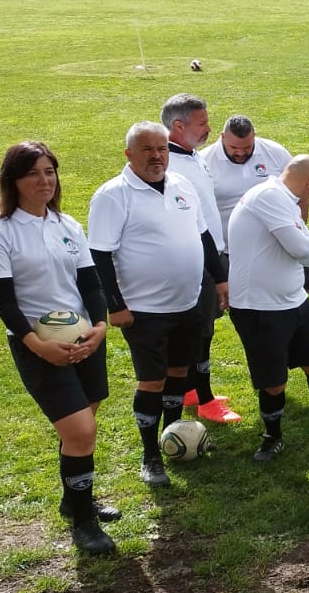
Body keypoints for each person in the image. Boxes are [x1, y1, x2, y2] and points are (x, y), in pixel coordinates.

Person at [0, 142, 118, 553]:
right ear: (13, 181)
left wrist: (99, 327)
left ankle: (74, 499)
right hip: (39, 346)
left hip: (84, 339)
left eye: (49, 172)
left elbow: (90, 284)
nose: (44, 181)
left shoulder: (66, 224)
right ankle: (84, 522)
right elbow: (4, 300)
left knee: (82, 426)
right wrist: (37, 346)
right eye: (33, 173)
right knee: (80, 431)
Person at [88, 122, 229, 488]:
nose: (156, 156)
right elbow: (99, 256)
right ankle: (150, 455)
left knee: (178, 374)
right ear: (128, 154)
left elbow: (203, 236)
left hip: (188, 302)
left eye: (162, 149)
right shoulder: (112, 195)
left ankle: (174, 435)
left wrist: (221, 278)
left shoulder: (181, 185)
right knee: (152, 381)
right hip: (144, 310)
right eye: (147, 149)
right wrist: (115, 305)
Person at [201, 115, 309, 354]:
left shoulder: (274, 152)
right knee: (212, 308)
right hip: (228, 250)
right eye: (233, 148)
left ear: (255, 137)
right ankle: (200, 372)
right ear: (221, 138)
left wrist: (298, 227)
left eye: (247, 147)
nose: (240, 153)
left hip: (280, 239)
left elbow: (300, 188)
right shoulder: (205, 161)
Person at [226, 156, 309, 461]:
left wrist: (307, 246)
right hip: (260, 308)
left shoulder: (283, 199)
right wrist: (308, 245)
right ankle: (272, 438)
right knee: (274, 383)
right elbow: (303, 249)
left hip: (294, 300)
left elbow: (305, 250)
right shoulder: (269, 197)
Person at [161, 93, 241, 424]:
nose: (209, 128)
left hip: (211, 253)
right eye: (202, 123)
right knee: (201, 332)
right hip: (196, 260)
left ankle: (192, 389)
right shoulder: (169, 166)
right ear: (179, 126)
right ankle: (206, 401)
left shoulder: (192, 155)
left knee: (203, 329)